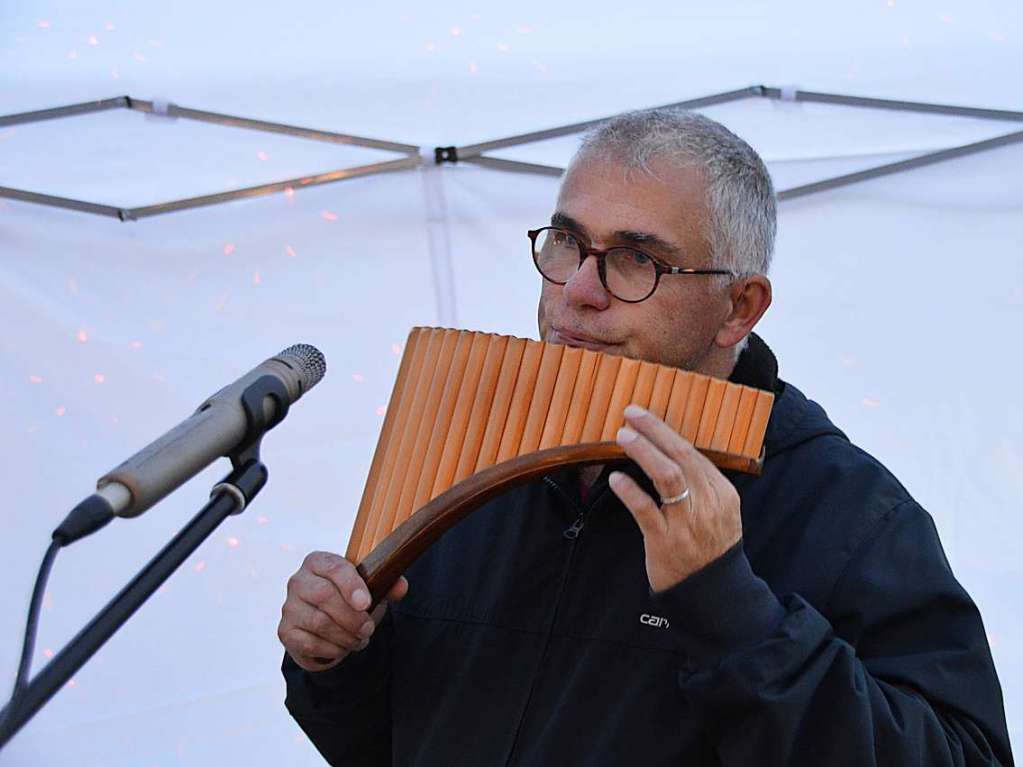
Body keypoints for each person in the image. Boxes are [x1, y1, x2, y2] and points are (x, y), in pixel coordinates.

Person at [278, 109, 1013, 765]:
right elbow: (386, 741)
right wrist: (339, 660)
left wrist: (736, 615)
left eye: (635, 259)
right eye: (566, 241)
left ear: (737, 307)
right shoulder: (465, 459)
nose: (576, 291)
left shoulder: (848, 513)